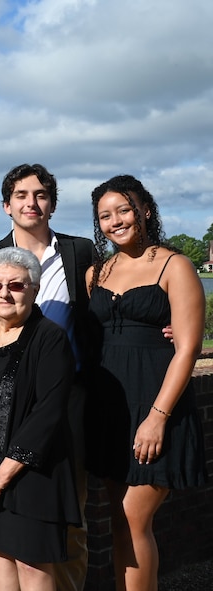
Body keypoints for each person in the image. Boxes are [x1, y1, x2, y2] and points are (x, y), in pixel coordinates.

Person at [0, 163, 93, 591]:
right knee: (4, 543)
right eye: (21, 195)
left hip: (65, 398)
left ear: (52, 204)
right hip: (0, 400)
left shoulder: (81, 252)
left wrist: (164, 325)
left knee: (65, 519)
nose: (31, 203)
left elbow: (106, 310)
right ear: (7, 205)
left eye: (40, 195)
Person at [85, 175, 207, 590]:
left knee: (134, 518)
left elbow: (188, 349)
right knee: (117, 521)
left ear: (145, 210)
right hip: (109, 408)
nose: (115, 220)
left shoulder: (176, 265)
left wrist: (157, 417)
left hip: (157, 404)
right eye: (105, 215)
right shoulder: (96, 272)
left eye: (124, 209)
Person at [0, 247, 81, 591]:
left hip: (31, 475)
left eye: (16, 286)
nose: (3, 293)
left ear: (34, 289)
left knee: (31, 566)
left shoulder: (49, 337)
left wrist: (2, 476)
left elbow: (48, 413)